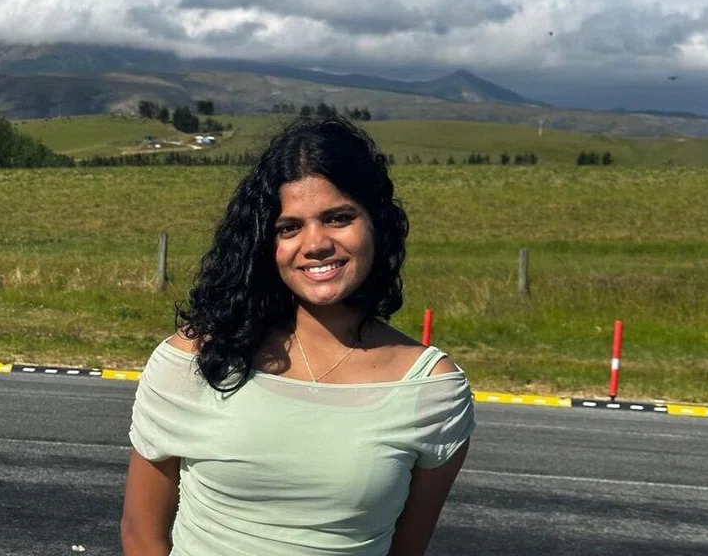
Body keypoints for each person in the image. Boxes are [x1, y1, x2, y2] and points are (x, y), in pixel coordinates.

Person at [121, 115, 475, 556]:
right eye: (289, 227)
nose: (315, 243)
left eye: (338, 218)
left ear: (377, 223)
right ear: (264, 244)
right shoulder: (193, 360)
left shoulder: (434, 391)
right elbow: (141, 534)